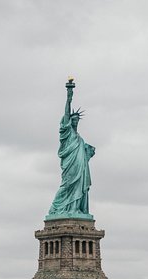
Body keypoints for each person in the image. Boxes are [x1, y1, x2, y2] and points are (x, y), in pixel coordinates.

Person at [48, 79, 96, 218]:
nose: (75, 121)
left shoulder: (80, 138)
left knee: (78, 186)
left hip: (80, 168)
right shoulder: (67, 132)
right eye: (73, 119)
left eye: (77, 120)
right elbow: (67, 112)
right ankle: (56, 209)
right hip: (70, 166)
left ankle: (75, 209)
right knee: (67, 185)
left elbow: (84, 154)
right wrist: (69, 94)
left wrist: (88, 152)